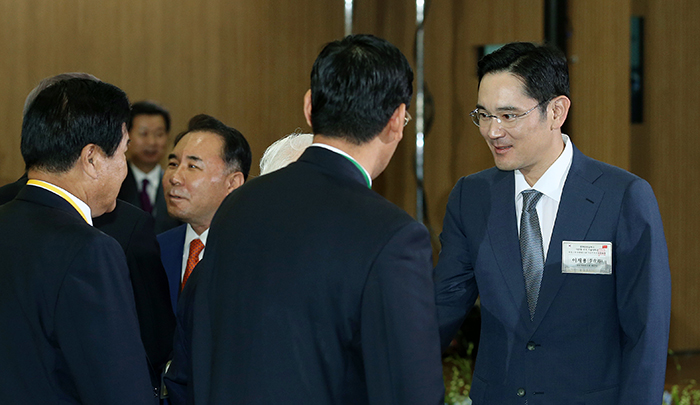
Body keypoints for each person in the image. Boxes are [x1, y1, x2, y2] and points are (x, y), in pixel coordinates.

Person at [164, 34, 444, 405]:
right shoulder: (393, 235)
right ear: (396, 121)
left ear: (310, 107)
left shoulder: (238, 204)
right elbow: (411, 391)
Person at [433, 42, 671, 404]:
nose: (492, 131)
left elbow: (646, 333)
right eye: (483, 114)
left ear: (556, 112)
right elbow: (442, 306)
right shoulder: (472, 197)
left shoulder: (622, 197)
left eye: (509, 115)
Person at [0, 73, 176, 396]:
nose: (124, 168)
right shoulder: (90, 250)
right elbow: (120, 388)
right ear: (92, 158)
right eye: (123, 153)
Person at [158, 114, 251, 312]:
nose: (174, 177)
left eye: (193, 166)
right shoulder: (155, 250)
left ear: (233, 183)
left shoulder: (254, 254)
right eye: (173, 164)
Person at [119, 100, 181, 233]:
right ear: (126, 136)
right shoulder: (115, 184)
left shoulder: (177, 184)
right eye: (143, 133)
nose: (152, 142)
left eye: (159, 134)